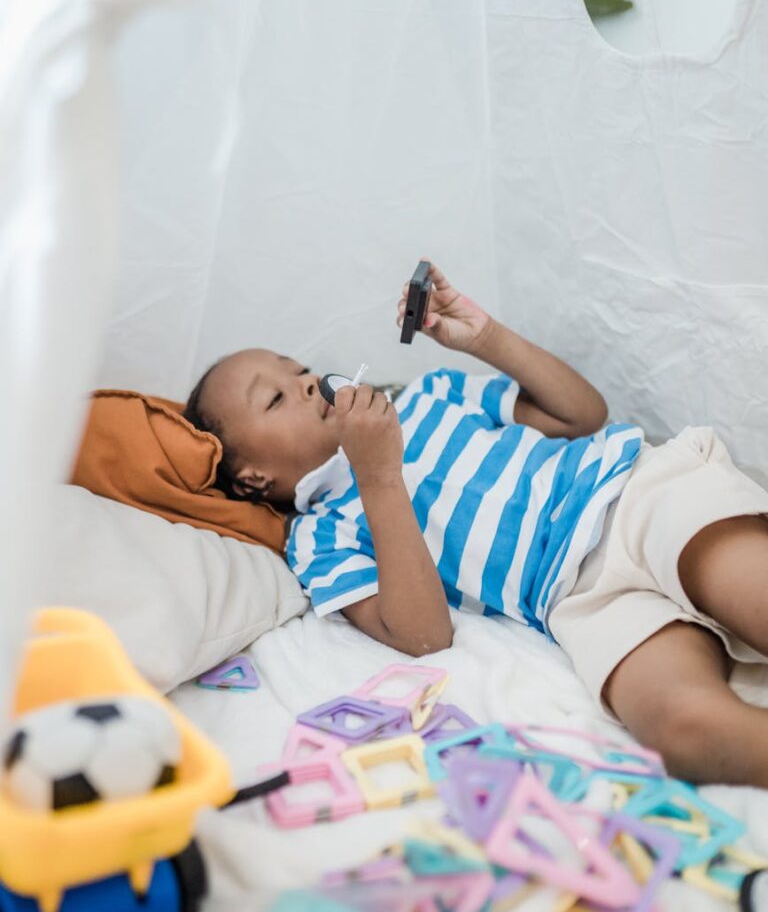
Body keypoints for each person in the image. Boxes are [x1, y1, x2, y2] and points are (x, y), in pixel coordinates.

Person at [184, 263, 768, 787]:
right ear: (255, 479)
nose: (308, 384)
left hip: (631, 495)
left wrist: (486, 338)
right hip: (576, 598)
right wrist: (379, 475)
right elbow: (423, 635)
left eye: (302, 371)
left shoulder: (426, 396)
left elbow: (583, 414)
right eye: (275, 399)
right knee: (683, 730)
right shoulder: (317, 541)